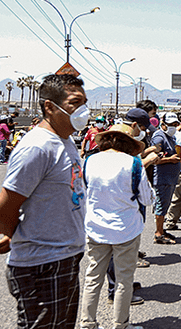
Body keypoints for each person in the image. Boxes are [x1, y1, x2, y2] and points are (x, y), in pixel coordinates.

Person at [0, 73, 89, 328]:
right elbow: (6, 206)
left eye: (84, 102)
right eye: (75, 102)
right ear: (50, 106)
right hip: (42, 265)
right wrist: (15, 233)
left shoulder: (65, 140)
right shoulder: (38, 146)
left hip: (64, 258)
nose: (82, 109)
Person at [80, 124, 154, 329]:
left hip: (95, 227)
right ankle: (120, 324)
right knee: (124, 279)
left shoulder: (89, 161)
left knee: (93, 277)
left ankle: (87, 323)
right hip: (126, 229)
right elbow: (147, 199)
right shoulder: (133, 163)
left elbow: (82, 194)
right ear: (129, 144)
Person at [151, 112, 181, 244]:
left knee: (165, 205)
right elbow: (153, 158)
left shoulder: (171, 137)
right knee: (160, 205)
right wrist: (170, 159)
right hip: (162, 178)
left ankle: (162, 229)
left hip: (170, 178)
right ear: (163, 125)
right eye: (170, 125)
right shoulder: (159, 137)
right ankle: (158, 233)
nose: (174, 127)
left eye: (175, 124)